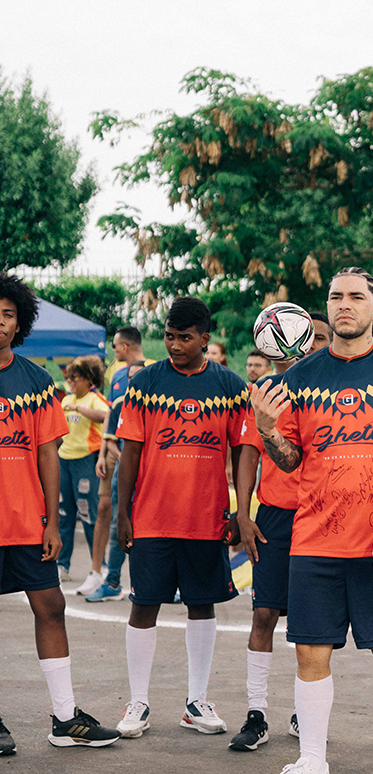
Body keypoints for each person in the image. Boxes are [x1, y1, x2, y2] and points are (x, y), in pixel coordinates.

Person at [251, 268, 373, 774]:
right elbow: (292, 460)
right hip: (315, 537)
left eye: (357, 297)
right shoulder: (300, 376)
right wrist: (266, 429)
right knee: (310, 650)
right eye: (336, 297)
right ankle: (312, 768)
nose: (345, 305)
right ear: (326, 308)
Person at [114, 297, 261, 739]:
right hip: (152, 518)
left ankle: (196, 701)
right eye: (170, 336)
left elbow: (243, 453)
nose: (175, 345)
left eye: (185, 337)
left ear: (205, 338)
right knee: (145, 605)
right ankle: (138, 701)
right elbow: (131, 452)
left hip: (206, 518)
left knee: (202, 604)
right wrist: (123, 512)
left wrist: (241, 510)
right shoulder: (145, 384)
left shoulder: (232, 387)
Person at [0, 273, 121, 752]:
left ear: (20, 322)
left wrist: (52, 521)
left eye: (8, 314)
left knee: (50, 606)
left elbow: (48, 456)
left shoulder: (35, 381)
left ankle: (65, 718)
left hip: (27, 521)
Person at [229, 312, 332, 752]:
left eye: (320, 339)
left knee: (311, 625)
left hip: (321, 517)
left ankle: (301, 711)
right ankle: (256, 715)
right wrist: (243, 512)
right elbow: (250, 453)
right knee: (264, 614)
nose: (311, 345)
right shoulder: (267, 391)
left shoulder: (331, 390)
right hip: (272, 517)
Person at [86, 360, 147, 602]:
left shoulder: (163, 403)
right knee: (119, 526)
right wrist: (127, 462)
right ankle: (112, 581)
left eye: (139, 376)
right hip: (125, 474)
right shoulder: (121, 404)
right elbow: (111, 440)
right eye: (130, 377)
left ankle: (153, 583)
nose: (134, 381)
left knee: (153, 530)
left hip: (154, 476)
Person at [57, 356, 109, 592]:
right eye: (68, 378)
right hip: (64, 459)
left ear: (88, 379)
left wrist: (79, 408)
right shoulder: (65, 399)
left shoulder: (94, 399)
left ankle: (100, 566)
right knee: (64, 514)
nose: (70, 382)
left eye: (74, 378)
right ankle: (62, 566)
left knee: (88, 513)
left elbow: (106, 416)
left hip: (86, 460)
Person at [107, 326, 150, 402]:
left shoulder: (154, 373)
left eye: (114, 346)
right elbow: (111, 410)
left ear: (124, 347)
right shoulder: (117, 375)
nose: (113, 350)